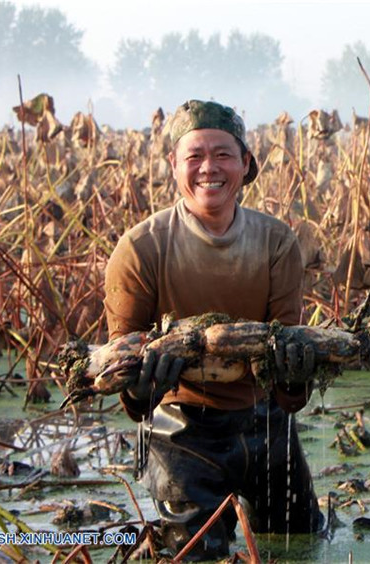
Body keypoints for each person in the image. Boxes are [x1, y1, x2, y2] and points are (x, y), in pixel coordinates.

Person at [103, 100, 324, 560]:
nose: (209, 168)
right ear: (174, 166)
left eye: (223, 155)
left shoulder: (276, 241)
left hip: (266, 423)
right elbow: (127, 385)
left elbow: (288, 388)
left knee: (303, 542)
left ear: (246, 164)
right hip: (179, 431)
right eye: (195, 156)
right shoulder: (141, 249)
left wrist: (295, 375)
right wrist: (141, 384)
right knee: (196, 554)